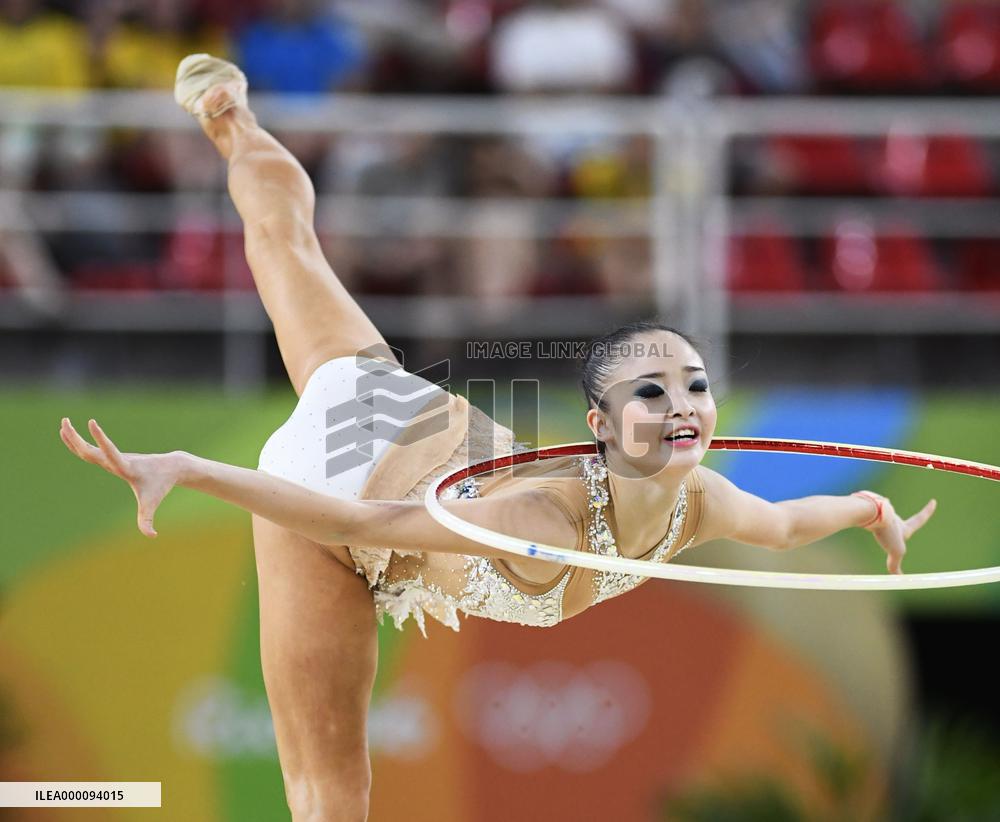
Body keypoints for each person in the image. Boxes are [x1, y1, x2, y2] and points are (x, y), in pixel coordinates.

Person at [58, 54, 938, 822]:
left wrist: (871, 509)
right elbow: (362, 528)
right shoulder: (537, 521)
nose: (682, 407)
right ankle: (235, 119)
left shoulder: (700, 498)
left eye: (695, 387)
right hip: (332, 494)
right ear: (599, 427)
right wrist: (189, 469)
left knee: (286, 243)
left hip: (384, 400)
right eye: (652, 391)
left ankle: (231, 117)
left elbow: (786, 525)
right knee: (331, 797)